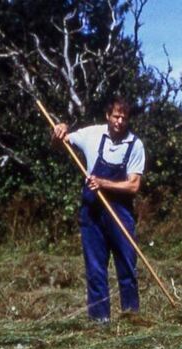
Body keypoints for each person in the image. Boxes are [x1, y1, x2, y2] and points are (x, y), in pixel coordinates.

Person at [52, 97, 145, 324]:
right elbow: (62, 142)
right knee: (95, 270)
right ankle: (99, 322)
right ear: (108, 116)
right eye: (116, 116)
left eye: (124, 118)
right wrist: (59, 131)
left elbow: (133, 185)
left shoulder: (135, 145)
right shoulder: (92, 135)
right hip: (92, 214)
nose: (120, 121)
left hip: (120, 213)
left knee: (126, 268)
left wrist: (104, 183)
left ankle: (131, 319)